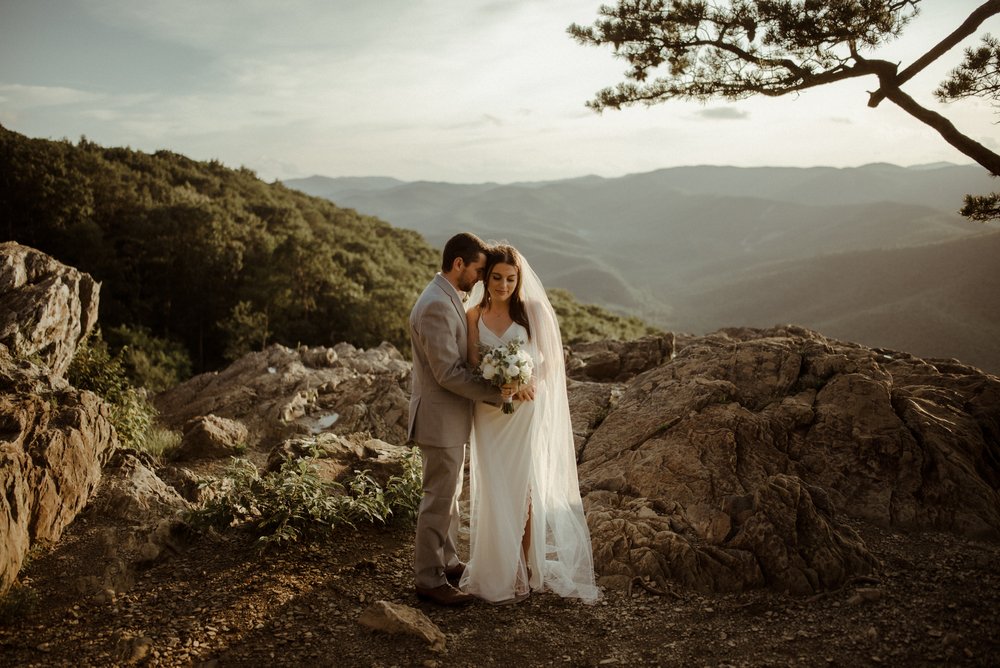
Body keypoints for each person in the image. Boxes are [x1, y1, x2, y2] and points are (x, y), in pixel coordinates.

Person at [459, 244, 599, 604]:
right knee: (493, 485)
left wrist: (525, 380)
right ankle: (497, 567)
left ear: (518, 280)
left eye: (510, 278)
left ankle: (522, 567)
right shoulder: (473, 315)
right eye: (496, 278)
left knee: (523, 488)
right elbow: (473, 364)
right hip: (489, 413)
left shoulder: (531, 312)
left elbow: (552, 362)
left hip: (524, 411)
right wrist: (496, 383)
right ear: (486, 278)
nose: (503, 285)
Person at [408, 232, 511, 607]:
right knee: (438, 499)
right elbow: (447, 373)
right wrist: (495, 393)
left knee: (449, 497)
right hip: (438, 420)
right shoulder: (436, 304)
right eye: (479, 270)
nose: (482, 278)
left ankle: (448, 562)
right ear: (458, 265)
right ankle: (428, 579)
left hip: (449, 418)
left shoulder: (448, 296)